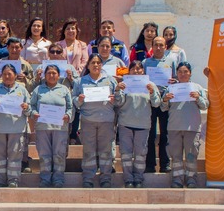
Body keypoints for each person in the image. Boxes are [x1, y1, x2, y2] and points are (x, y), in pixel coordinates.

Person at [160, 62, 209, 188]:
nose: (183, 74)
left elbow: (205, 105)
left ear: (190, 73)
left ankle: (191, 179)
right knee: (176, 157)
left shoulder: (197, 88)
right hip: (174, 127)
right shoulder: (170, 88)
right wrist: (165, 99)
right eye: (180, 72)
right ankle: (177, 179)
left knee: (191, 156)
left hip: (192, 127)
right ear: (177, 73)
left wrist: (198, 98)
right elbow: (163, 108)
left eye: (185, 71)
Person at [72, 53, 118, 188]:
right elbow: (74, 100)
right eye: (93, 63)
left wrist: (115, 99)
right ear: (88, 65)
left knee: (106, 151)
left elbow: (119, 100)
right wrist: (78, 100)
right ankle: (88, 178)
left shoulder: (110, 80)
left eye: (98, 63)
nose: (96, 65)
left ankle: (105, 178)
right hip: (88, 121)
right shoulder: (80, 81)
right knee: (89, 151)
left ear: (101, 65)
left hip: (106, 121)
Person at [113, 60, 161, 188]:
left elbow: (156, 103)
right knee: (126, 154)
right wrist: (118, 91)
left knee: (140, 154)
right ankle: (128, 178)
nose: (136, 71)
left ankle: (138, 178)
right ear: (129, 71)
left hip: (143, 124)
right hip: (125, 123)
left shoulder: (150, 85)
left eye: (139, 69)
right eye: (133, 69)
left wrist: (152, 92)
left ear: (143, 71)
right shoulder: (124, 84)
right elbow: (118, 103)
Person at [0, 37, 36, 171]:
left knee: (21, 134)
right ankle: (2, 165)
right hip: (3, 105)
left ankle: (23, 162)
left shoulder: (26, 65)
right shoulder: (0, 63)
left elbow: (32, 85)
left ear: (21, 49)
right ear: (8, 48)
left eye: (17, 47)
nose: (15, 50)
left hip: (18, 105)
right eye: (12, 47)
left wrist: (25, 79)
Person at [0, 64, 32, 188]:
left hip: (17, 129)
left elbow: (30, 110)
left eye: (9, 74)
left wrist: (26, 108)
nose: (7, 76)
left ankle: (13, 180)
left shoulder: (22, 90)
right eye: (4, 74)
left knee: (15, 155)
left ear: (15, 76)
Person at [30, 65, 73, 188]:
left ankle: (58, 179)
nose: (51, 75)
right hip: (43, 127)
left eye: (54, 73)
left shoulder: (64, 90)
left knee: (59, 154)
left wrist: (68, 115)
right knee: (44, 155)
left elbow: (70, 107)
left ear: (59, 75)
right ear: (45, 75)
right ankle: (45, 179)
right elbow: (31, 105)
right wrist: (34, 113)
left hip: (60, 128)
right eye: (49, 73)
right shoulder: (38, 89)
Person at [142, 36, 179, 174]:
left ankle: (165, 164)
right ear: (152, 46)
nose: (158, 48)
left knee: (165, 134)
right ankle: (150, 165)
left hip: (166, 102)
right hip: (150, 102)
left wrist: (173, 82)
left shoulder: (171, 61)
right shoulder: (146, 62)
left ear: (165, 47)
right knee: (150, 135)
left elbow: (177, 79)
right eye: (156, 45)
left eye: (161, 45)